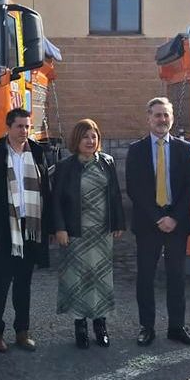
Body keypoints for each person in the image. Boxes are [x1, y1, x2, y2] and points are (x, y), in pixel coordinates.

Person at [125, 97, 190, 347]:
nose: (162, 120)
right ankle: (146, 327)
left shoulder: (184, 148)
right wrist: (158, 217)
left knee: (176, 277)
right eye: (157, 115)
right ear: (148, 118)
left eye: (165, 115)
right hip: (149, 223)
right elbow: (134, 189)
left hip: (177, 223)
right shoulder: (136, 150)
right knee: (145, 277)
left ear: (172, 118)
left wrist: (174, 217)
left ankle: (177, 327)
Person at [0, 107, 51, 353]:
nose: (24, 131)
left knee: (24, 282)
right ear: (8, 128)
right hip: (2, 228)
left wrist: (47, 227)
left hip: (30, 228)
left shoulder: (37, 152)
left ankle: (22, 331)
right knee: (1, 282)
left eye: (27, 126)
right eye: (19, 126)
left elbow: (45, 192)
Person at [47, 118, 125, 349]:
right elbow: (56, 201)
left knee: (100, 280)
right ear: (76, 140)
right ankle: (79, 325)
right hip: (75, 233)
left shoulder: (107, 162)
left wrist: (118, 222)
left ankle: (100, 325)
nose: (90, 141)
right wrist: (59, 228)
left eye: (94, 136)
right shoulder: (65, 166)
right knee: (77, 280)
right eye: (85, 136)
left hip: (101, 233)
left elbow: (115, 195)